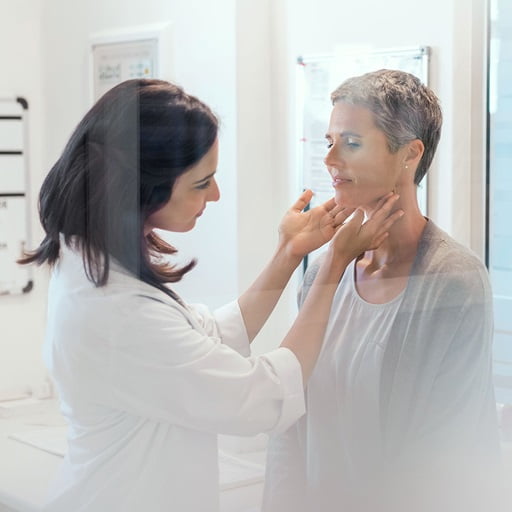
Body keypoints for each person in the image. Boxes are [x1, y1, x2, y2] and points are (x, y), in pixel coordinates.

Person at [19, 78, 401, 512]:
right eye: (202, 183)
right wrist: (334, 264)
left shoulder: (95, 267)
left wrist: (289, 253)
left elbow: (210, 339)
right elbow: (262, 399)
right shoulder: (116, 312)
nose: (215, 195)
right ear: (142, 187)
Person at [262, 69, 504, 512]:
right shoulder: (323, 272)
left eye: (351, 142)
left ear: (410, 154)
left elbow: (446, 452)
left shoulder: (453, 280)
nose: (330, 159)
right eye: (329, 141)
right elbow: (289, 417)